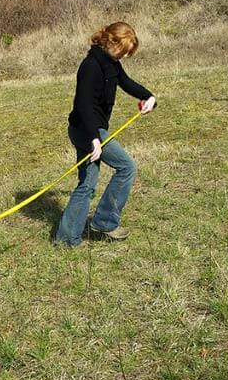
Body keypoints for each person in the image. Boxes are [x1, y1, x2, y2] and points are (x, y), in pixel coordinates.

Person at [54, 22, 156, 247]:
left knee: (87, 183)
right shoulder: (90, 66)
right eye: (123, 50)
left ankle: (66, 239)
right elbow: (83, 105)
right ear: (111, 42)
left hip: (93, 130)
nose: (125, 56)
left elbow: (126, 83)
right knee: (127, 167)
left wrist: (149, 97)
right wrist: (94, 139)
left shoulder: (112, 63)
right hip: (86, 130)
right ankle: (105, 222)